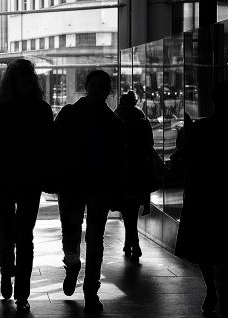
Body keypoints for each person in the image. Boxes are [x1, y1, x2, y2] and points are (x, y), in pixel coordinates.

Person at [0, 59, 54, 314]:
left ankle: (15, 284)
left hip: (3, 179)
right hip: (24, 179)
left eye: (30, 77)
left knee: (11, 236)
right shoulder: (40, 108)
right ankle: (18, 286)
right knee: (19, 236)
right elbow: (46, 145)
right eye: (24, 77)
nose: (28, 81)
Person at [53, 70, 125, 313]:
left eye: (100, 86)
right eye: (94, 85)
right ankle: (88, 288)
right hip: (95, 186)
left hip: (75, 185)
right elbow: (116, 160)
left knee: (77, 235)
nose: (96, 90)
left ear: (107, 90)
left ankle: (85, 282)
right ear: (88, 87)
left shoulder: (69, 114)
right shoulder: (113, 123)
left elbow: (56, 146)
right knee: (91, 239)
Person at [175, 81, 228, 315]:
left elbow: (186, 157)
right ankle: (222, 289)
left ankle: (211, 288)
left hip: (202, 194)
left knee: (204, 245)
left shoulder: (201, 128)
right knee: (226, 244)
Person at [114, 91, 154, 263]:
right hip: (139, 170)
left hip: (121, 170)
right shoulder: (142, 119)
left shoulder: (116, 117)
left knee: (126, 209)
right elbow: (149, 145)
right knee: (133, 210)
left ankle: (132, 241)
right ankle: (132, 241)